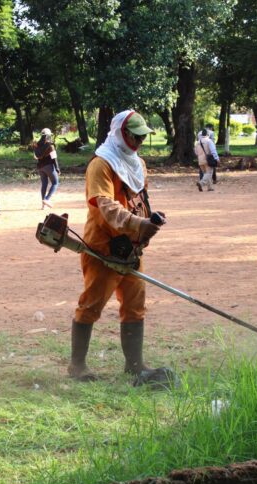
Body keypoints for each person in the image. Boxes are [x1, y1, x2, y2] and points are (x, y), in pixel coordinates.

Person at [69, 110, 165, 381]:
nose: (138, 142)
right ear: (121, 133)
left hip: (132, 249)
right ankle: (77, 366)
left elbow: (140, 200)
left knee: (135, 305)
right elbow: (106, 206)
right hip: (103, 249)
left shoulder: (137, 164)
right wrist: (137, 224)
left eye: (142, 137)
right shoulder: (101, 165)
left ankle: (135, 365)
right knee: (91, 305)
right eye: (134, 136)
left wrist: (148, 223)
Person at [34, 128, 60, 209]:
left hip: (40, 167)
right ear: (48, 135)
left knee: (44, 184)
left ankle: (43, 205)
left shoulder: (36, 144)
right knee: (55, 183)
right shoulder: (50, 145)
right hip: (49, 166)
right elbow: (54, 157)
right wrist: (57, 168)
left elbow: (35, 157)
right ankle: (47, 199)